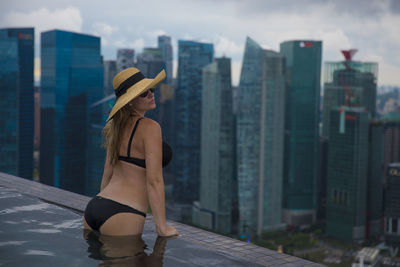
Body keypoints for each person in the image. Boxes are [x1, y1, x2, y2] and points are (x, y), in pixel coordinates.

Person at [83, 67, 178, 237]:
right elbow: (154, 181)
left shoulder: (115, 128)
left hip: (95, 206)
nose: (151, 94)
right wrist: (162, 228)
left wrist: (101, 206)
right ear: (130, 101)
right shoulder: (151, 128)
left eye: (151, 89)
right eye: (143, 93)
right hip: (124, 212)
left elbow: (107, 173)